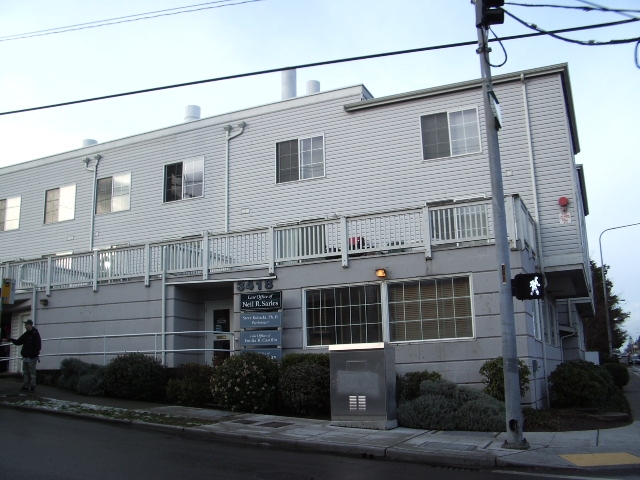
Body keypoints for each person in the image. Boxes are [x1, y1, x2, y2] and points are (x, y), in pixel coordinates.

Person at [4, 320, 41, 392]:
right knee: (26, 372)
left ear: (30, 325)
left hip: (32, 357)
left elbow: (38, 345)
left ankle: (33, 386)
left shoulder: (35, 334)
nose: (25, 326)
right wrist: (10, 339)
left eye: (26, 325)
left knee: (32, 372)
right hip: (25, 356)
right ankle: (26, 385)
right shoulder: (26, 334)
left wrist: (34, 354)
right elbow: (18, 341)